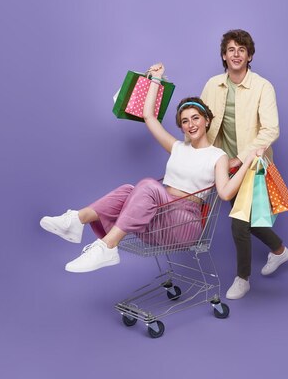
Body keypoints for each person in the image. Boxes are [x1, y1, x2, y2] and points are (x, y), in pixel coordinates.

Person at [40, 63, 263, 273]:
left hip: (184, 224)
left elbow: (224, 193)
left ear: (206, 120)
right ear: (181, 127)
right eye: (185, 121)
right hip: (158, 219)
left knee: (147, 185)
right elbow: (149, 117)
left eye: (195, 118)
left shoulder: (218, 156)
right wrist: (155, 79)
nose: (191, 124)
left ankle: (108, 246)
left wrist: (249, 160)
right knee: (129, 190)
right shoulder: (177, 147)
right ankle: (77, 220)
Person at [201, 29, 288, 300]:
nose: (236, 54)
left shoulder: (263, 86)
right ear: (224, 56)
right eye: (231, 49)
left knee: (239, 222)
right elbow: (201, 121)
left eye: (242, 49)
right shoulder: (213, 85)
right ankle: (280, 251)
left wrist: (241, 158)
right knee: (249, 219)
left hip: (251, 164)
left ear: (249, 55)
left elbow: (271, 129)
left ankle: (242, 278)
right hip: (222, 166)